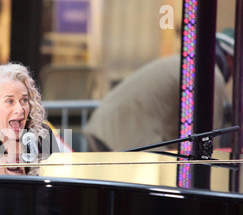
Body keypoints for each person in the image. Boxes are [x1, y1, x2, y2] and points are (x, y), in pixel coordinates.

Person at [82, 28, 235, 152]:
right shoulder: (209, 76)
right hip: (125, 140)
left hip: (106, 129)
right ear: (229, 57)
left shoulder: (190, 62)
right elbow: (206, 144)